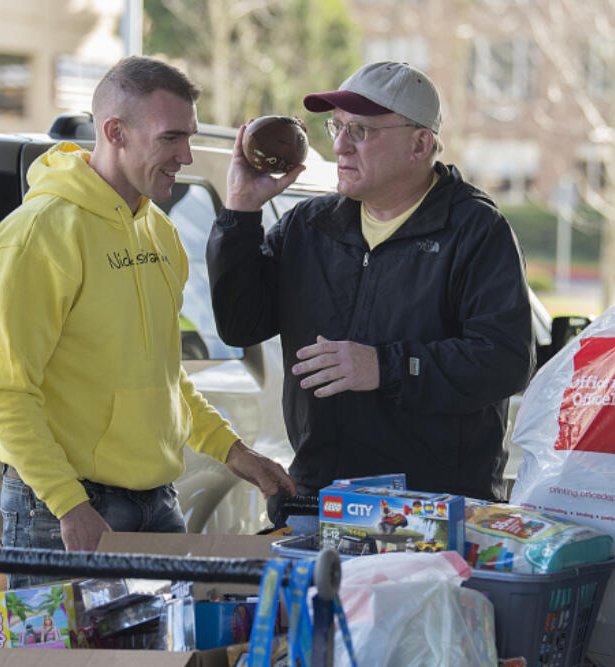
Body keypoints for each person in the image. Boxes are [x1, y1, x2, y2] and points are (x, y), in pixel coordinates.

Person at [0, 55, 294, 585]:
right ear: (115, 132)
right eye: (171, 138)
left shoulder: (159, 232)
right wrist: (67, 505)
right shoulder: (38, 235)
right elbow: (6, 391)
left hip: (157, 504)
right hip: (64, 511)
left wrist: (236, 453)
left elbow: (166, 379)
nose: (186, 156)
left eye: (188, 137)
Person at [206, 62, 534, 524]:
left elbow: (505, 362)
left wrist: (385, 367)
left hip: (428, 512)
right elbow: (241, 324)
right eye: (336, 126)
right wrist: (240, 211)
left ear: (420, 144)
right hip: (321, 498)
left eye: (360, 130)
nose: (339, 145)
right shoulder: (308, 225)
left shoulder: (476, 230)